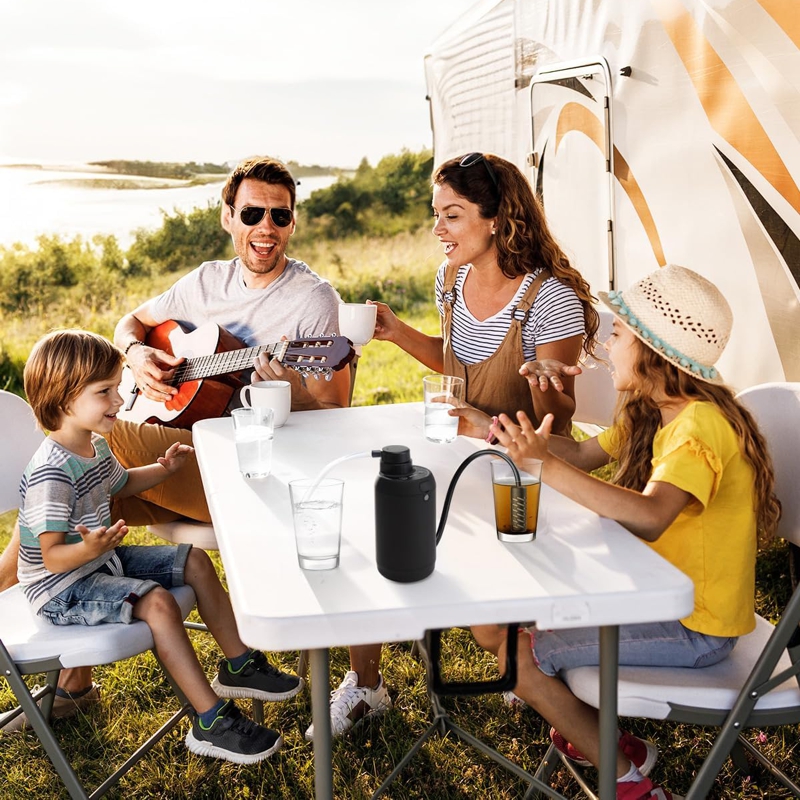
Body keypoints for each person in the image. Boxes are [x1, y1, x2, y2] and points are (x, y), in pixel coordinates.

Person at [3, 154, 334, 725]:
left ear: (293, 223)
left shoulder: (311, 299)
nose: (266, 228)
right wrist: (136, 354)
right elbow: (131, 323)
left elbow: (331, 408)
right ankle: (73, 671)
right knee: (89, 469)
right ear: (228, 216)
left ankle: (57, 642)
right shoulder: (204, 281)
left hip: (244, 467)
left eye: (280, 216)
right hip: (172, 451)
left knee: (78, 448)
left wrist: (289, 391)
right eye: (252, 212)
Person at [306, 152, 599, 742]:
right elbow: (456, 360)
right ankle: (366, 682)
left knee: (456, 593)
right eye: (435, 214)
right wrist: (393, 331)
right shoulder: (454, 278)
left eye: (452, 215)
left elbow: (556, 424)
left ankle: (536, 662)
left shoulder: (550, 298)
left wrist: (545, 390)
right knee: (374, 514)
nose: (437, 229)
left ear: (497, 219)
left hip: (526, 476)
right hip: (460, 453)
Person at [475, 265, 781, 800]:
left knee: (514, 653)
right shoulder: (654, 412)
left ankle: (625, 778)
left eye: (618, 333)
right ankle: (609, 742)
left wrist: (544, 468)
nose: (608, 345)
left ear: (652, 349)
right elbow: (579, 455)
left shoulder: (698, 425)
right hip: (652, 595)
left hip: (696, 625)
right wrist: (495, 430)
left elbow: (650, 514)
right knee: (504, 622)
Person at [14, 330, 305, 762]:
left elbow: (123, 482)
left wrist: (164, 469)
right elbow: (53, 557)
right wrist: (89, 549)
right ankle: (210, 720)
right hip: (60, 589)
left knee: (196, 562)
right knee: (157, 603)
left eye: (115, 388)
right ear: (63, 399)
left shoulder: (93, 444)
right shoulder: (50, 474)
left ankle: (239, 663)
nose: (118, 400)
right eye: (104, 392)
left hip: (98, 562)